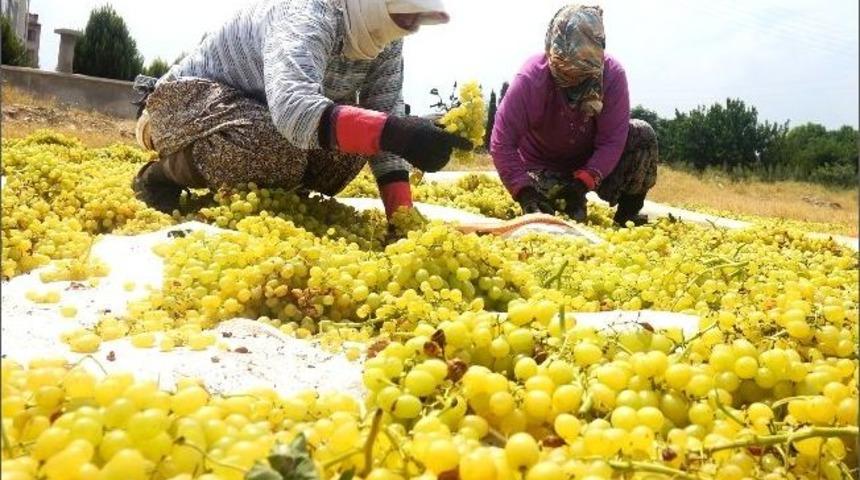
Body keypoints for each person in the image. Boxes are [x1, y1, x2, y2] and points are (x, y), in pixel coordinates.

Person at [132, 0, 470, 219]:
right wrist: (396, 132)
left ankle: (270, 192)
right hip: (182, 107)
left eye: (414, 19)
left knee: (352, 150)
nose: (409, 23)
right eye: (404, 13)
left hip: (260, 114)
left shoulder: (386, 41)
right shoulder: (308, 13)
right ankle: (160, 176)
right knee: (272, 149)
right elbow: (294, 109)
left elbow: (384, 114)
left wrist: (402, 219)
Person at [490, 4, 658, 227]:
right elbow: (503, 142)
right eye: (565, 72)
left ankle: (627, 215)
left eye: (580, 75)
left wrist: (582, 184)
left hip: (594, 163)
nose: (572, 82)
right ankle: (548, 196)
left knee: (642, 134)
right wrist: (525, 192)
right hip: (542, 166)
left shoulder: (612, 76)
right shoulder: (531, 78)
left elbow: (611, 141)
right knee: (551, 219)